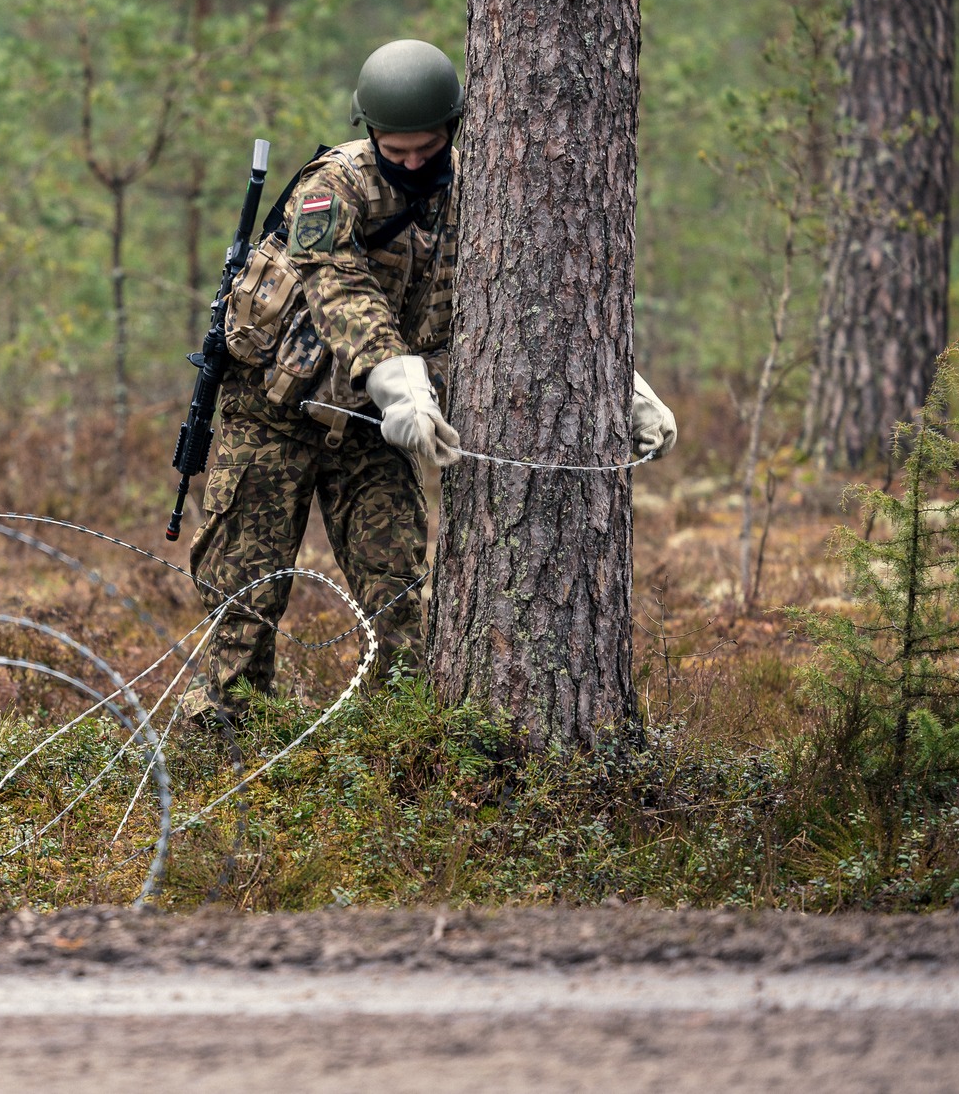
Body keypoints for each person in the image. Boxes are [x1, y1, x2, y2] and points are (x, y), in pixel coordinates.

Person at [188, 39, 676, 709]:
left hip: (374, 432)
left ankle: (401, 756)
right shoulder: (330, 189)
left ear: (452, 128)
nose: (415, 163)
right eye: (398, 151)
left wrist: (619, 386)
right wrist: (398, 378)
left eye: (429, 148)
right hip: (276, 418)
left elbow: (541, 302)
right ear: (371, 132)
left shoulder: (484, 192)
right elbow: (339, 288)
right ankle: (220, 749)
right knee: (242, 602)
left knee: (401, 612)